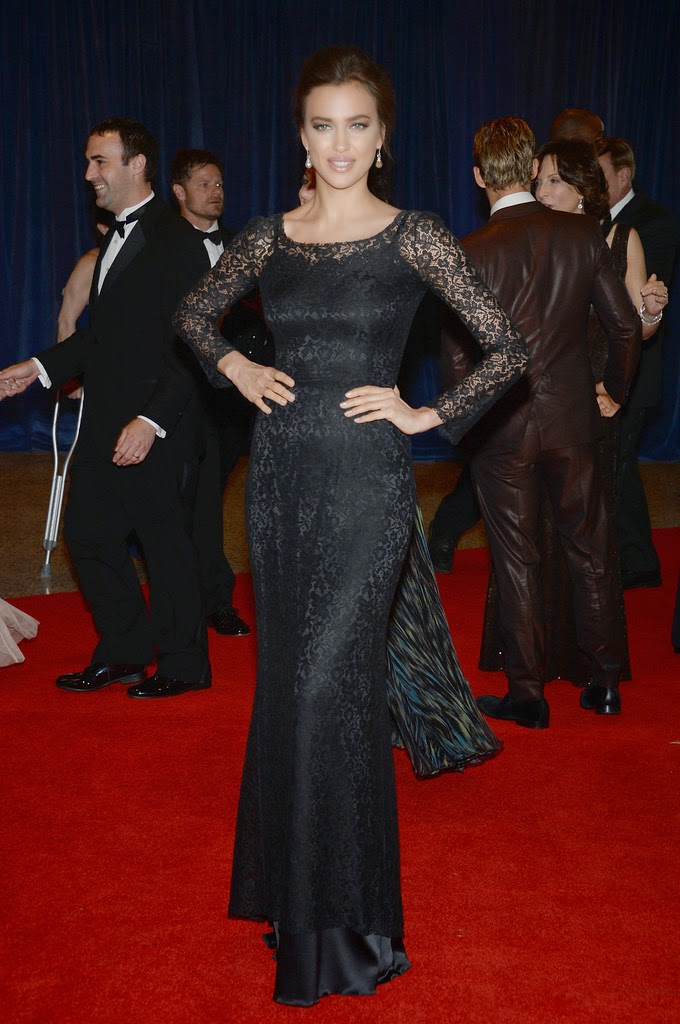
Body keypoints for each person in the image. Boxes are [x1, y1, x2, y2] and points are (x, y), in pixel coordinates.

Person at [173, 46, 527, 1007]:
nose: (339, 144)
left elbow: (507, 347)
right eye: (322, 125)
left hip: (368, 487)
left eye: (357, 125)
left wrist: (428, 413)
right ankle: (300, 904)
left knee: (334, 686)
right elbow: (194, 314)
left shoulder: (414, 237)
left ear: (382, 137)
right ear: (302, 135)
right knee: (292, 690)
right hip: (281, 485)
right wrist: (237, 368)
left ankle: (349, 925)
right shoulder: (268, 238)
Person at [0, 118, 211, 699]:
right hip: (103, 421)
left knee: (165, 547)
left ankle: (184, 664)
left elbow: (196, 345)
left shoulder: (179, 242)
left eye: (100, 162)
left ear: (136, 164)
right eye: (88, 162)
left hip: (156, 424)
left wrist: (152, 420)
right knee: (88, 536)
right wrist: (37, 368)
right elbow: (101, 337)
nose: (89, 174)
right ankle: (124, 651)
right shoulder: (113, 242)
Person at [448, 117, 641, 731]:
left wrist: (470, 428)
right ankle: (604, 684)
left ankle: (527, 694)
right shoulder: (583, 233)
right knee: (591, 551)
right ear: (533, 169)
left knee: (517, 561)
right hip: (573, 422)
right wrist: (613, 391)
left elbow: (457, 362)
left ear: (478, 176)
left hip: (502, 431)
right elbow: (625, 327)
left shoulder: (468, 250)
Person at [474, 139, 668, 687]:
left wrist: (618, 385)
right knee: (571, 545)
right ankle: (592, 676)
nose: (543, 190)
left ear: (583, 188)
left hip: (576, 410)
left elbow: (631, 327)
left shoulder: (607, 237)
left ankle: (544, 680)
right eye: (540, 180)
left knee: (561, 547)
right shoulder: (550, 235)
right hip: (566, 411)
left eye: (555, 181)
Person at [169, 148, 251, 637]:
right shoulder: (161, 247)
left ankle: (215, 598)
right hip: (180, 394)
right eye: (205, 184)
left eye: (219, 183)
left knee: (209, 500)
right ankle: (193, 599)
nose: (216, 192)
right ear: (179, 192)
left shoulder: (242, 244)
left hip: (234, 396)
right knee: (187, 501)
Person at [596, 137, 678, 589]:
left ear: (624, 175)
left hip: (637, 369)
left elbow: (645, 298)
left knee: (617, 468)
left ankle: (631, 561)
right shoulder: (591, 220)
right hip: (602, 368)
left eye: (601, 174)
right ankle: (638, 559)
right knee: (618, 468)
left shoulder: (654, 222)